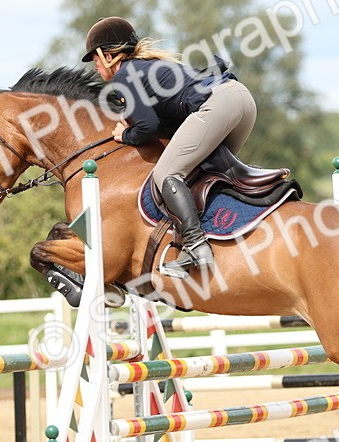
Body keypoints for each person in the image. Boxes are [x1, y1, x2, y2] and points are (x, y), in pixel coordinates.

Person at [82, 16, 257, 279]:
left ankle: (197, 246)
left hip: (217, 104)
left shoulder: (124, 78)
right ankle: (231, 230)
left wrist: (125, 135)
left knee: (166, 174)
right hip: (241, 99)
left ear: (108, 56)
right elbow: (172, 126)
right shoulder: (148, 67)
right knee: (208, 170)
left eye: (95, 61)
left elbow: (148, 127)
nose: (95, 68)